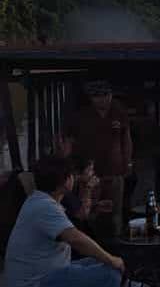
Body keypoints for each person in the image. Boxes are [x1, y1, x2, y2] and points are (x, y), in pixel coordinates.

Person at [3, 156, 125, 287]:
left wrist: (108, 259)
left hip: (48, 273)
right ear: (66, 181)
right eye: (72, 175)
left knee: (99, 263)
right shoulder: (44, 206)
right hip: (35, 282)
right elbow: (76, 239)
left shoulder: (40, 201)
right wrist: (112, 260)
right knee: (110, 274)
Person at [66, 81, 132, 236]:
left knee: (115, 212)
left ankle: (116, 244)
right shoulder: (81, 116)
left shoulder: (118, 111)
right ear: (91, 98)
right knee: (90, 213)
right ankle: (92, 245)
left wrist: (128, 162)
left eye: (106, 95)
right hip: (90, 175)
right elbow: (69, 143)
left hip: (115, 172)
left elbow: (127, 139)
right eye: (98, 96)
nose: (103, 99)